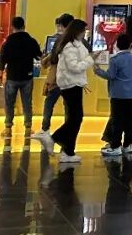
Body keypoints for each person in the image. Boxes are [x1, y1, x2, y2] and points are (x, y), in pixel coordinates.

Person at [40, 19, 94, 164]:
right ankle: (53, 139)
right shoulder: (69, 47)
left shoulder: (75, 44)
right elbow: (74, 67)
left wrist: (90, 58)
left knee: (74, 119)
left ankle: (68, 151)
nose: (84, 34)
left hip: (74, 83)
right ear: (77, 31)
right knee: (76, 118)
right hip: (71, 84)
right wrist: (90, 60)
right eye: (83, 31)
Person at [94, 33, 132, 157]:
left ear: (117, 45)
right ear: (130, 45)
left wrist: (97, 70)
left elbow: (110, 75)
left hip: (117, 95)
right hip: (130, 95)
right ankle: (127, 145)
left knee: (117, 121)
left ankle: (115, 146)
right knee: (128, 121)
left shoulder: (115, 60)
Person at [0, 16, 42, 138]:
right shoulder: (31, 41)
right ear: (24, 26)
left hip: (12, 77)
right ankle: (28, 128)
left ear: (13, 27)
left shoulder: (8, 42)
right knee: (27, 103)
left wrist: (0, 76)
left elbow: (2, 60)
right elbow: (39, 56)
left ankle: (8, 128)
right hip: (27, 77)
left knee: (9, 103)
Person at [32, 13, 73, 142]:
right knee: (69, 106)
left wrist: (45, 59)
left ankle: (45, 129)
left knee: (49, 103)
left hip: (56, 78)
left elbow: (49, 60)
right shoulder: (77, 41)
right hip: (71, 79)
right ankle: (68, 130)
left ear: (61, 25)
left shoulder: (58, 41)